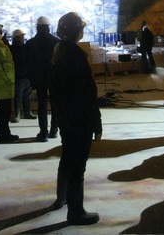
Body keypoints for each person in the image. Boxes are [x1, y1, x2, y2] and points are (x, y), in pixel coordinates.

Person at [49, 12, 102, 226]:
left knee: (67, 159)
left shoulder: (59, 53)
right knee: (77, 167)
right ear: (76, 32)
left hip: (66, 120)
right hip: (79, 121)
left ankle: (61, 198)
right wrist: (96, 123)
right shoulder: (76, 57)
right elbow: (88, 95)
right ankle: (76, 212)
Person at [26, 16, 61, 142]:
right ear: (48, 27)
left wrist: (32, 83)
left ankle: (43, 132)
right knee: (55, 104)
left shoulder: (31, 44)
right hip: (54, 78)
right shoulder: (56, 42)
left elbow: (29, 65)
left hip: (39, 78)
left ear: (37, 27)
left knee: (42, 104)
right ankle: (54, 130)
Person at [9, 29, 37, 122]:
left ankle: (27, 112)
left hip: (26, 75)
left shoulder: (25, 47)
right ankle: (18, 114)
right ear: (16, 38)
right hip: (19, 76)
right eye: (21, 36)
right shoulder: (13, 49)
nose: (23, 38)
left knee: (26, 96)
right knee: (18, 96)